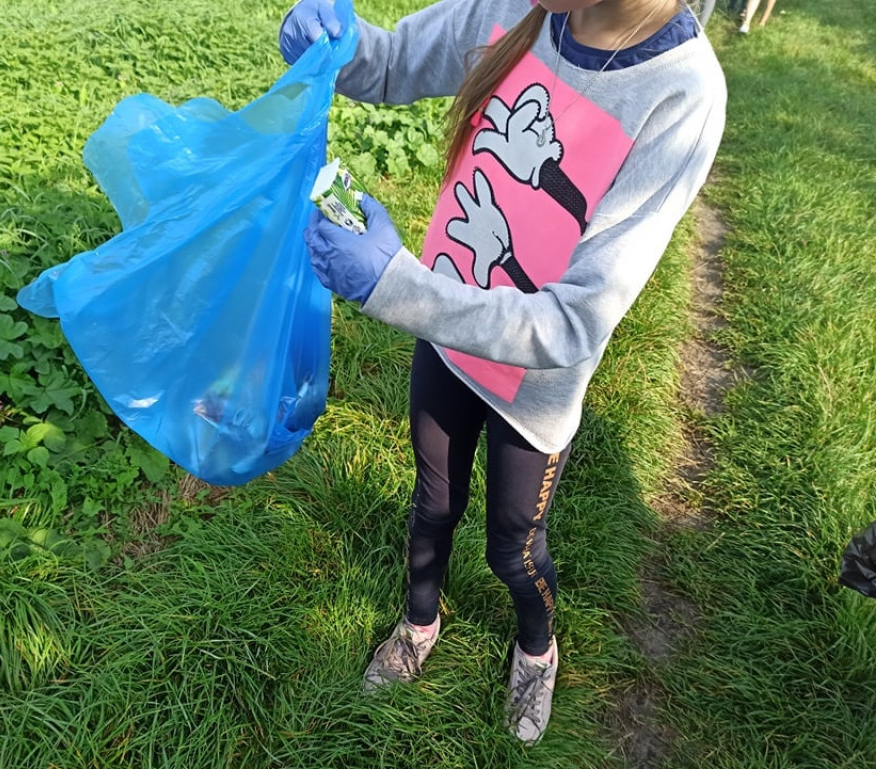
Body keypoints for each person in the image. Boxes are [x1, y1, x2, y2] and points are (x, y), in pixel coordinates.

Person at [280, 0, 726, 743]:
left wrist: (396, 284)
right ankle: (418, 624)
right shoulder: (515, 10)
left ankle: (535, 648)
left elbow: (576, 319)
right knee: (432, 505)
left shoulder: (681, 94)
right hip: (446, 343)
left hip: (533, 390)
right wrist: (333, 41)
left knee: (514, 547)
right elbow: (389, 64)